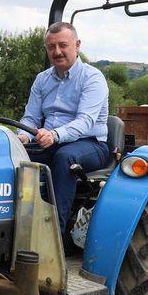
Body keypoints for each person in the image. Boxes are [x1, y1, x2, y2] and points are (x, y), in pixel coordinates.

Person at [17, 21, 109, 233]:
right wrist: (22, 136)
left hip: (90, 144)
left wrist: (55, 135)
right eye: (51, 47)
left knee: (65, 157)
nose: (57, 51)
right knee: (13, 154)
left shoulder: (92, 78)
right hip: (51, 141)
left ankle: (54, 235)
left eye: (63, 45)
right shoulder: (42, 80)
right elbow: (30, 117)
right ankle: (19, 223)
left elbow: (86, 121)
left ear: (77, 45)